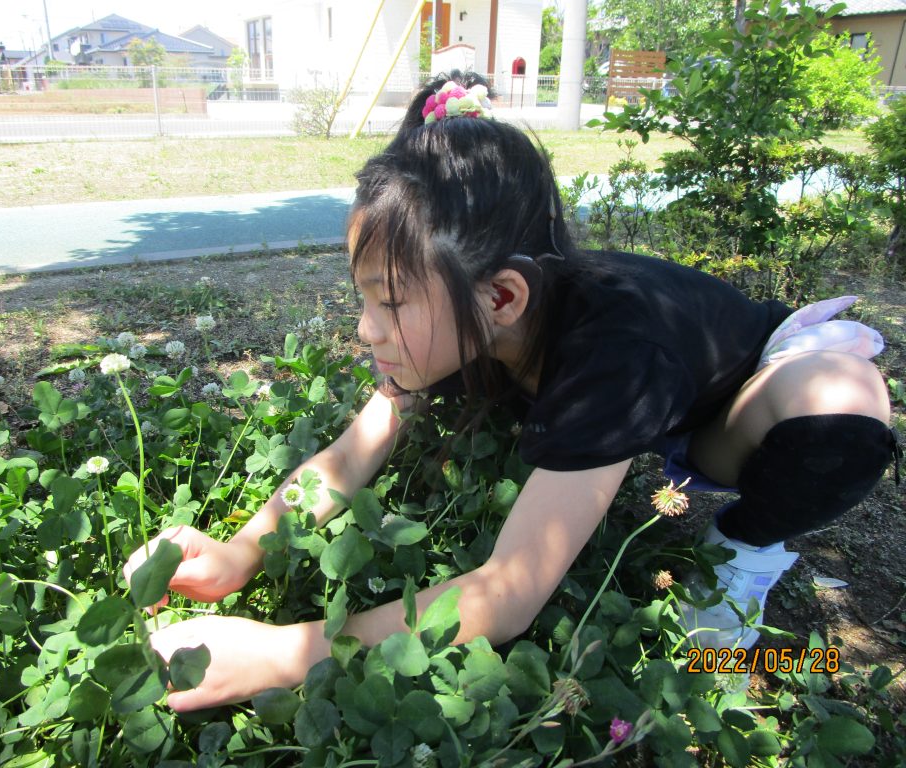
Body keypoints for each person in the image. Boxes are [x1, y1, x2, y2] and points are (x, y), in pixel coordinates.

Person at [123, 72, 900, 711]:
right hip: (636, 397)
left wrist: (280, 654)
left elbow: (507, 593)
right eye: (364, 299)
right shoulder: (462, 315)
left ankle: (743, 555)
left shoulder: (610, 350)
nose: (366, 330)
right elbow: (350, 454)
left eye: (389, 303)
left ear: (502, 299)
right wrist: (241, 550)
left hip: (732, 406)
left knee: (843, 408)